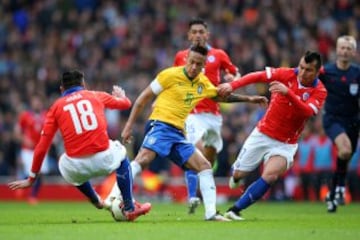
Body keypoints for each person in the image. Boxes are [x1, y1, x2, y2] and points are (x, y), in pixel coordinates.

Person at [121, 45, 268, 221]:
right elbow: (143, 98)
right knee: (143, 159)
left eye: (198, 64)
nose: (193, 67)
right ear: (186, 59)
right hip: (160, 124)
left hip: (178, 133)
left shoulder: (202, 83)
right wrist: (129, 125)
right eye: (191, 62)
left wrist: (249, 99)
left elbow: (220, 96)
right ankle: (115, 196)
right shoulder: (169, 74)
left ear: (203, 65)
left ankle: (211, 213)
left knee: (204, 166)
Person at [8, 70, 151, 222]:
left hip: (77, 167)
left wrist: (31, 178)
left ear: (62, 89)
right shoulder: (95, 95)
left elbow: (42, 146)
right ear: (83, 84)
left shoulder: (55, 107)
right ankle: (129, 207)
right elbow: (126, 104)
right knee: (121, 154)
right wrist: (121, 96)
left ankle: (95, 199)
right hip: (104, 158)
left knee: (63, 162)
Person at [217, 51, 327, 220]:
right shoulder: (286, 74)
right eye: (301, 67)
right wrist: (233, 85)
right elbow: (257, 76)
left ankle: (235, 210)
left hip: (286, 143)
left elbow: (306, 111)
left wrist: (287, 92)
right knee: (239, 174)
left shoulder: (319, 91)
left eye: (308, 70)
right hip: (262, 134)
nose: (303, 73)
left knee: (271, 175)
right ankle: (237, 176)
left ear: (317, 71)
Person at [173, 18, 240, 214]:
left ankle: (200, 189)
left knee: (207, 159)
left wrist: (232, 80)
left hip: (213, 115)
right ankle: (193, 196)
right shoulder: (181, 56)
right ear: (188, 35)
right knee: (195, 150)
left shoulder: (218, 55)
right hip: (191, 113)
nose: (198, 35)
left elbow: (235, 73)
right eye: (194, 32)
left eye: (201, 32)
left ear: (207, 34)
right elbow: (175, 79)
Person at [318, 35, 360, 212]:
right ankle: (341, 188)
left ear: (354, 52)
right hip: (333, 119)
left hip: (353, 121)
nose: (344, 51)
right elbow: (310, 85)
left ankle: (333, 192)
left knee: (345, 157)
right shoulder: (326, 72)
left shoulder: (357, 73)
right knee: (344, 150)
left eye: (348, 48)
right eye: (342, 47)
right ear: (336, 50)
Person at [14, 95, 50, 204]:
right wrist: (24, 139)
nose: (37, 104)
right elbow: (17, 132)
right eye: (35, 102)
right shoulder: (25, 116)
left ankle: (32, 196)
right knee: (30, 172)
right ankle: (22, 188)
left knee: (41, 173)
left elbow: (50, 131)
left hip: (41, 149)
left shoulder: (46, 115)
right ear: (31, 103)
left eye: (38, 102)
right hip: (28, 149)